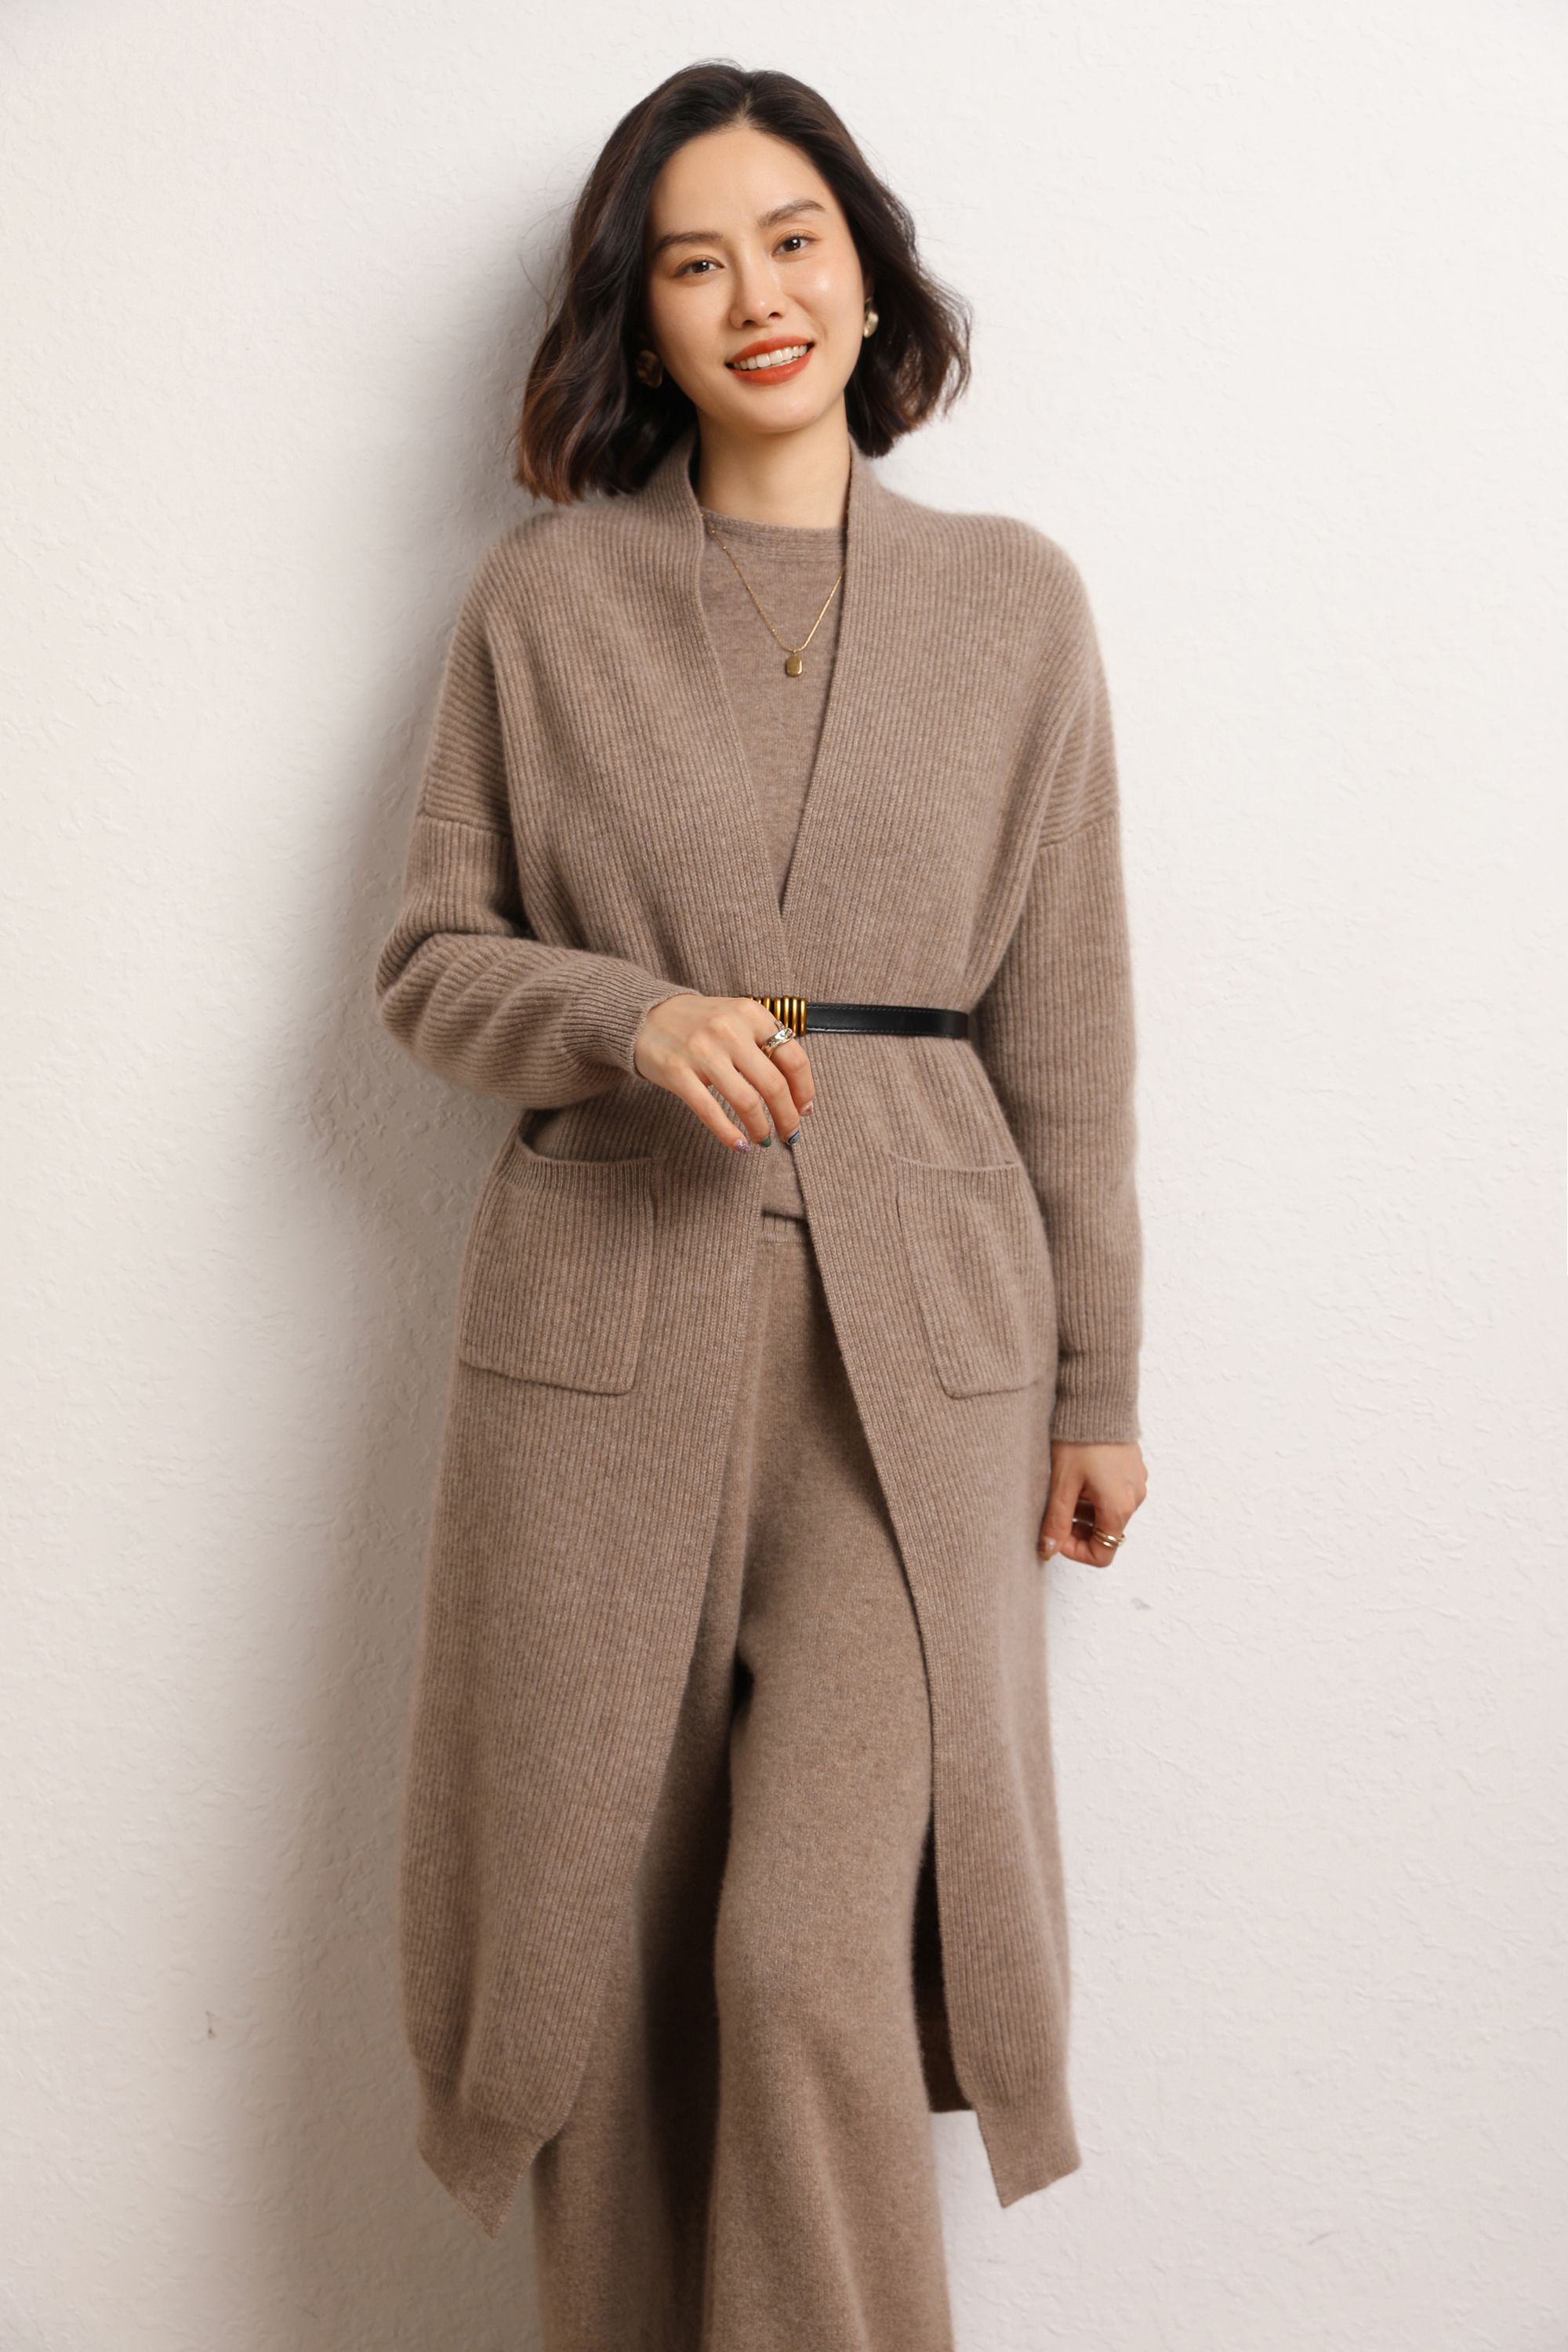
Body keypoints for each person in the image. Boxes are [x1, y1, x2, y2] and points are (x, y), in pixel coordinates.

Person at [373, 58, 1149, 2352]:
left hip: (922, 1353)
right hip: (605, 1330)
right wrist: (629, 1019)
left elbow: (1073, 1019)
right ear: (644, 315)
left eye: (794, 241)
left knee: (811, 1964)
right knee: (606, 1967)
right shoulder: (547, 605)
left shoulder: (1014, 607)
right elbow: (428, 961)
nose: (756, 295)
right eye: (695, 262)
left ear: (869, 273)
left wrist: (1101, 1381)